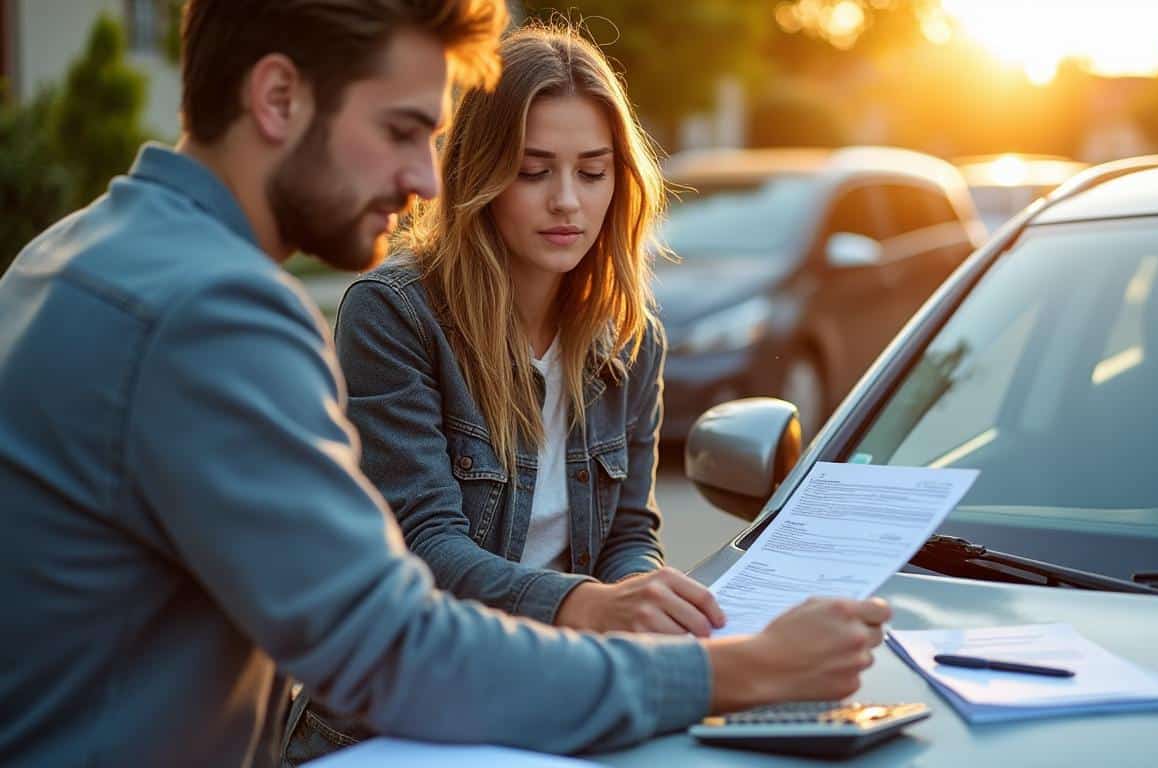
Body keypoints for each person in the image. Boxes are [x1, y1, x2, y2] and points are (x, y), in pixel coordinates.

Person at [0, 2, 891, 766]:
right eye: (400, 130)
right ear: (277, 98)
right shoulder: (215, 311)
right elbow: (395, 644)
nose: (426, 178)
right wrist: (743, 671)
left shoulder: (73, 252)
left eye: (431, 138)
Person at [283, 25, 731, 761]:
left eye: (593, 171)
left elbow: (627, 535)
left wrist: (643, 600)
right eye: (533, 171)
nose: (567, 202)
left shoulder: (630, 337)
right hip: (394, 722)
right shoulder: (395, 314)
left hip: (559, 704)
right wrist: (591, 605)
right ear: (480, 173)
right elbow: (424, 549)